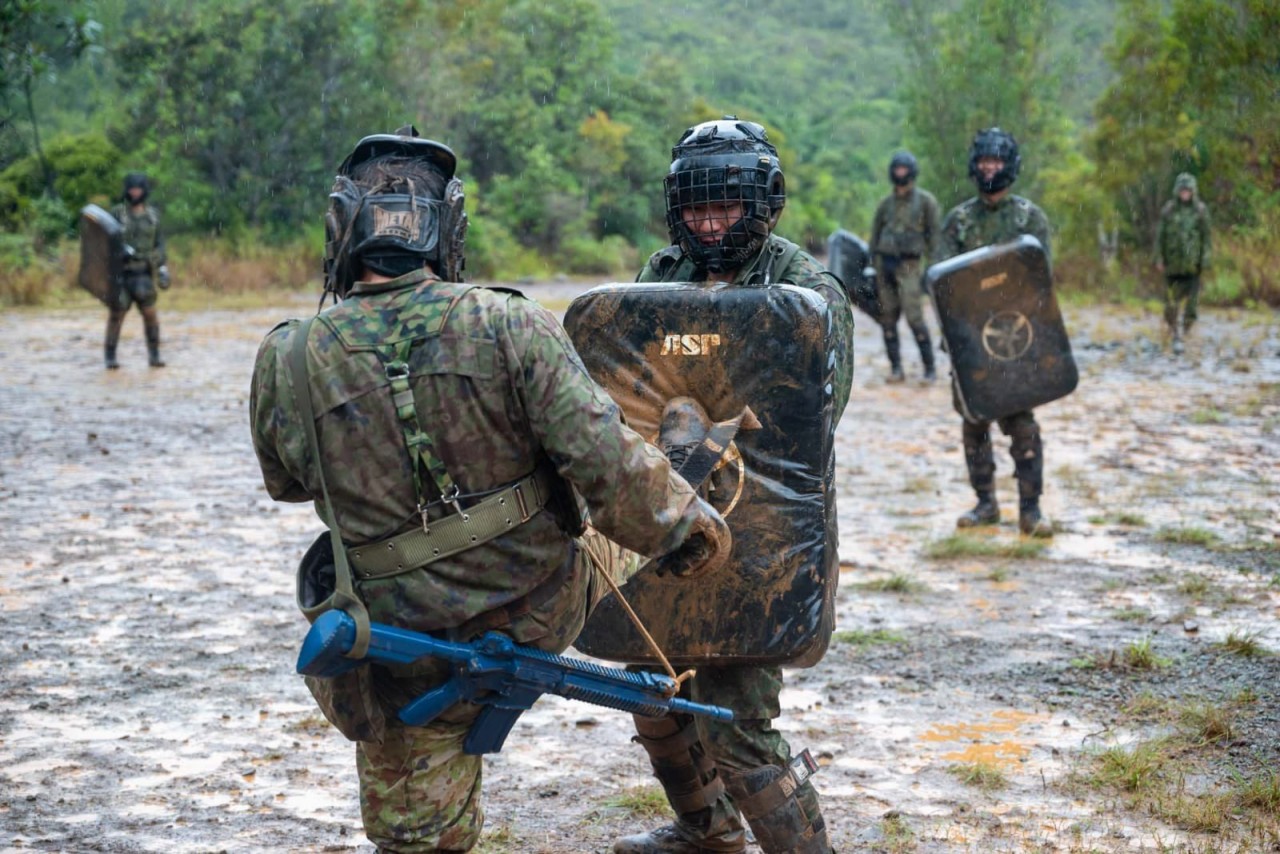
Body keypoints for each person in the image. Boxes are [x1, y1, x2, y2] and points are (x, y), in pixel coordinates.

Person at [248, 126, 732, 853]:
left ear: (341, 229)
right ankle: (701, 486)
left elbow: (286, 483)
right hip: (537, 606)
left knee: (418, 838)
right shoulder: (509, 323)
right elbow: (607, 469)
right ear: (448, 228)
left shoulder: (289, 354)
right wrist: (692, 529)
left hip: (394, 642)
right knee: (677, 496)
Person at [614, 117, 851, 854]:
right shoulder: (660, 278)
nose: (709, 224)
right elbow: (624, 385)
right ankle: (707, 829)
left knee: (738, 718)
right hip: (664, 513)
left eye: (724, 208)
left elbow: (808, 418)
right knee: (652, 689)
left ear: (762, 204)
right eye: (696, 209)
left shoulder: (804, 291)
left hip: (761, 524)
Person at [937, 128, 1054, 538]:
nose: (991, 167)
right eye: (985, 160)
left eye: (998, 161)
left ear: (1010, 166)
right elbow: (942, 283)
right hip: (968, 338)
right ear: (975, 165)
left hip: (1015, 338)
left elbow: (1041, 282)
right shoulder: (959, 220)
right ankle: (985, 503)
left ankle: (1031, 509)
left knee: (1023, 423)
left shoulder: (1029, 219)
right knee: (974, 422)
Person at [869, 150, 941, 382]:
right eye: (897, 168)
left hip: (910, 264)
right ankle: (896, 369)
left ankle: (929, 369)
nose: (900, 172)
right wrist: (871, 265)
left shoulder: (925, 202)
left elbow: (934, 237)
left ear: (911, 171)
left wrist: (934, 267)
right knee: (887, 317)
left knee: (914, 316)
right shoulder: (885, 204)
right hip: (884, 264)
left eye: (904, 168)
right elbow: (875, 235)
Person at [107, 172, 169, 368]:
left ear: (144, 190)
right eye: (132, 189)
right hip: (122, 273)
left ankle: (154, 354)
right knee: (117, 314)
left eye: (138, 189)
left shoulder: (153, 216)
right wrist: (118, 252)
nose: (135, 193)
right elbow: (105, 241)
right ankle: (110, 356)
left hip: (144, 273)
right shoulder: (117, 214)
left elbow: (160, 245)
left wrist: (161, 267)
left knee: (150, 314)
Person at [1155, 172, 1211, 354]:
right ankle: (1174, 333)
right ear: (1177, 191)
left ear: (1193, 191)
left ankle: (1186, 332)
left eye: (1188, 190)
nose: (1185, 193)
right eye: (1182, 190)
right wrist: (1159, 258)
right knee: (1171, 303)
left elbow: (1206, 239)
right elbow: (1160, 237)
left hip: (1192, 266)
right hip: (1172, 266)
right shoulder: (1169, 210)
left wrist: (1205, 260)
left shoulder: (1200, 211)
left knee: (1192, 306)